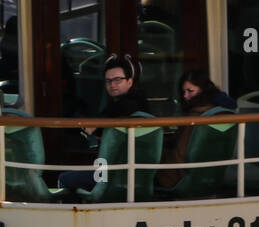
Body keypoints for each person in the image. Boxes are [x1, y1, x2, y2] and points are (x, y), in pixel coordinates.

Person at [60, 56, 150, 193]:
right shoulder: (138, 106)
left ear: (130, 82)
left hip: (112, 175)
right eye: (108, 81)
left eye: (118, 80)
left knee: (64, 179)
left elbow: (98, 127)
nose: (112, 84)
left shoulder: (126, 108)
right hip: (136, 176)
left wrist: (94, 126)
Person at [156, 71, 236, 190]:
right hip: (214, 175)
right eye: (184, 92)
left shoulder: (197, 116)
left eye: (190, 91)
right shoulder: (223, 112)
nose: (185, 96)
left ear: (203, 90)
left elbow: (180, 154)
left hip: (180, 177)